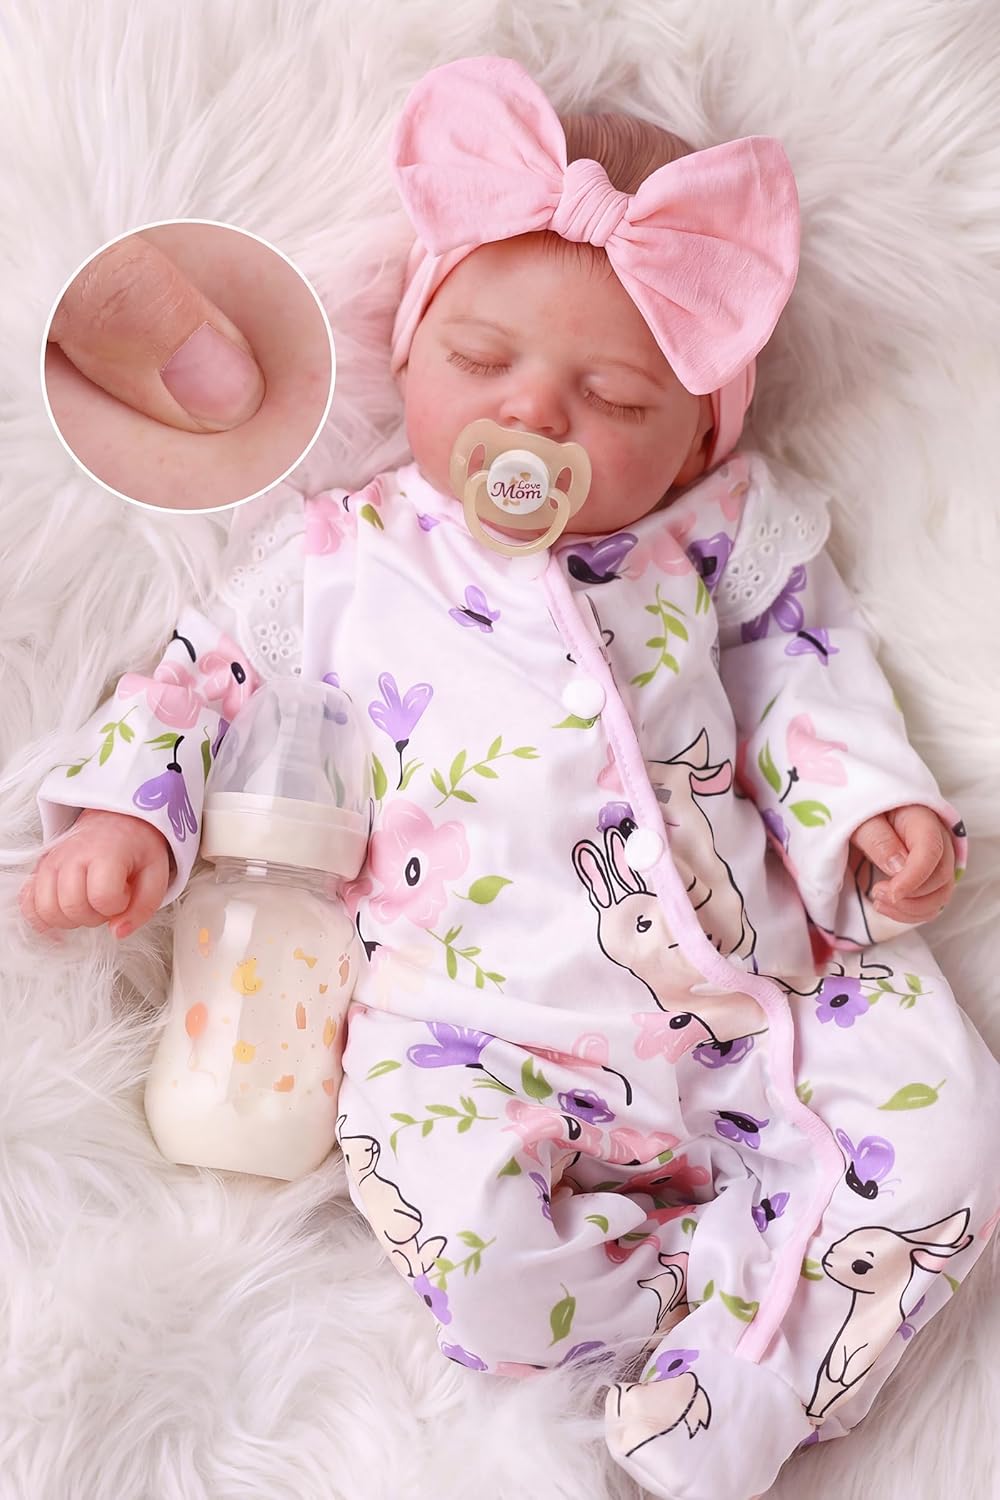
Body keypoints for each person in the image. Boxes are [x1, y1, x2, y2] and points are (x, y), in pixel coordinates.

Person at [19, 54, 1000, 1500]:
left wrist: (871, 815)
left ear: (700, 434)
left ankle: (740, 1388)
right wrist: (129, 813)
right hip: (466, 1038)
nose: (535, 414)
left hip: (764, 1002)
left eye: (611, 395)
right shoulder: (346, 558)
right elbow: (198, 678)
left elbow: (810, 674)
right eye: (483, 362)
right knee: (467, 1249)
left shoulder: (715, 542)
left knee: (952, 1131)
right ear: (412, 348)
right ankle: (697, 1314)